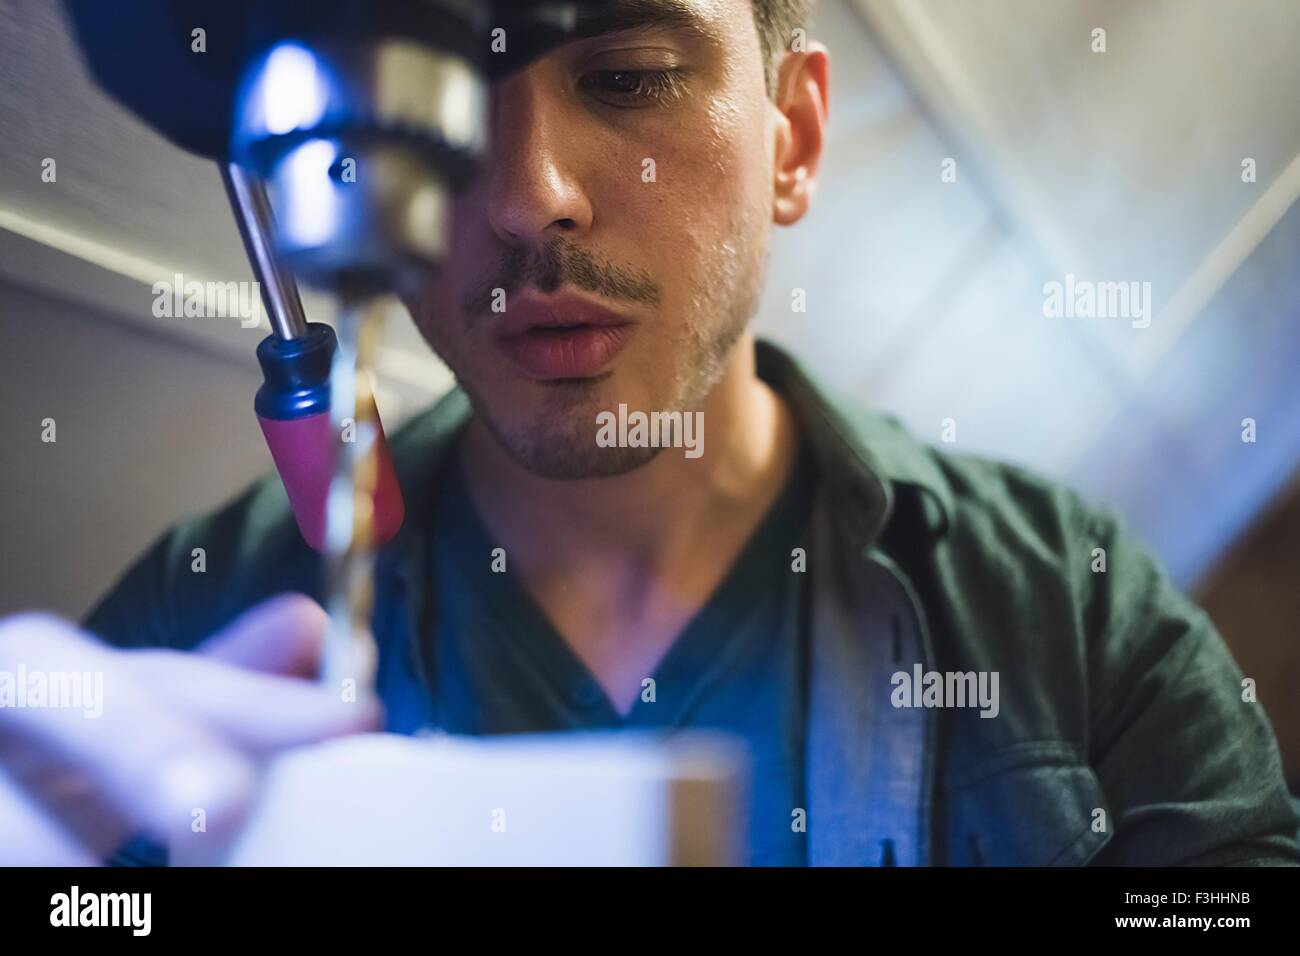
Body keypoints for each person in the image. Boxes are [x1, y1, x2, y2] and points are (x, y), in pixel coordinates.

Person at [3, 0, 1297, 866]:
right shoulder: (197, 625)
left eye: (627, 78)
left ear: (790, 135)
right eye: (445, 116)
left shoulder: (1074, 614)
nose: (526, 199)